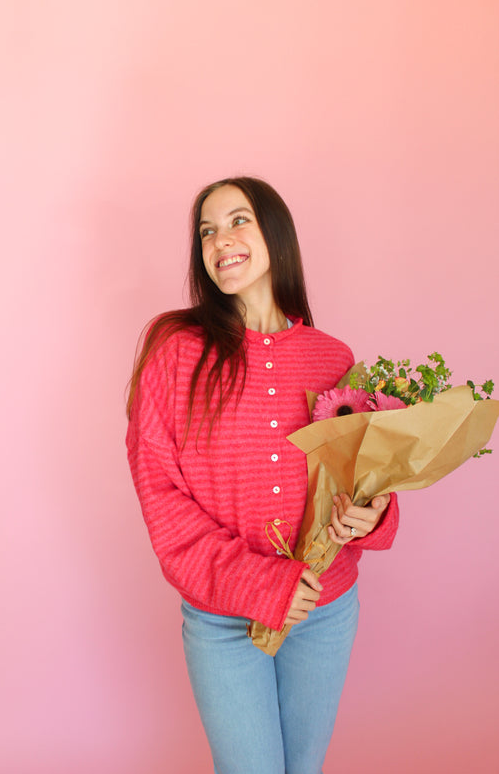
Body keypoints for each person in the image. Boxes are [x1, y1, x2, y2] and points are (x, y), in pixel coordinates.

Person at [126, 177, 399, 774]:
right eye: (206, 231)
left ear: (275, 232)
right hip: (224, 617)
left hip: (325, 609)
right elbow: (160, 492)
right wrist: (260, 585)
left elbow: (361, 474)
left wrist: (370, 514)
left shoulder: (334, 358)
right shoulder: (174, 351)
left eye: (237, 221)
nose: (219, 240)